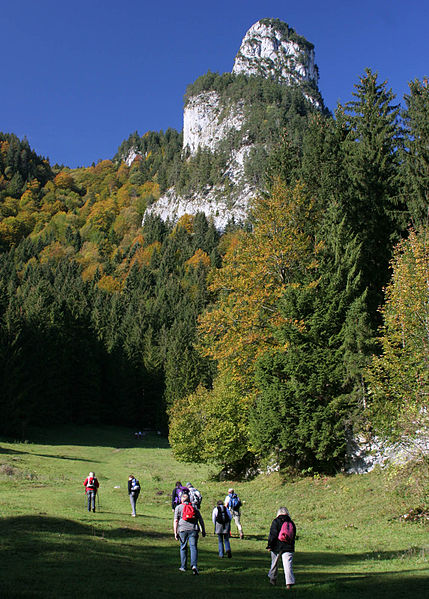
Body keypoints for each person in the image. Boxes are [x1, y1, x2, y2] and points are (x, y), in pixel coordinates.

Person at [173, 492, 206, 574]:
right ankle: (194, 565)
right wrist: (203, 530)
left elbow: (176, 520)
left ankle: (183, 566)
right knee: (193, 547)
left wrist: (175, 532)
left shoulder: (178, 507)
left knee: (183, 547)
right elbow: (200, 520)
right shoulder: (194, 507)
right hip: (193, 529)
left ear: (181, 500)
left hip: (182, 529)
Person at [266, 507, 296, 589]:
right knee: (288, 565)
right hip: (288, 547)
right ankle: (289, 583)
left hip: (276, 547)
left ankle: (273, 579)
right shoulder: (291, 522)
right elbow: (293, 536)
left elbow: (273, 535)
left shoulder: (276, 521)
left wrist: (270, 545)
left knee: (274, 564)